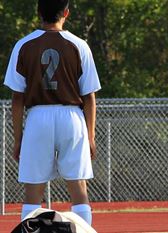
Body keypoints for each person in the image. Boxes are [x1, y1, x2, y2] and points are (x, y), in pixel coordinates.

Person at [4, 0, 101, 226]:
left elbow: (17, 99)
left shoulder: (23, 45)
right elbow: (89, 97)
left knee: (33, 193)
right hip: (72, 118)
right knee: (78, 188)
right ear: (66, 12)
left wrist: (18, 139)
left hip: (38, 118)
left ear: (39, 12)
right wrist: (91, 136)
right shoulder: (79, 45)